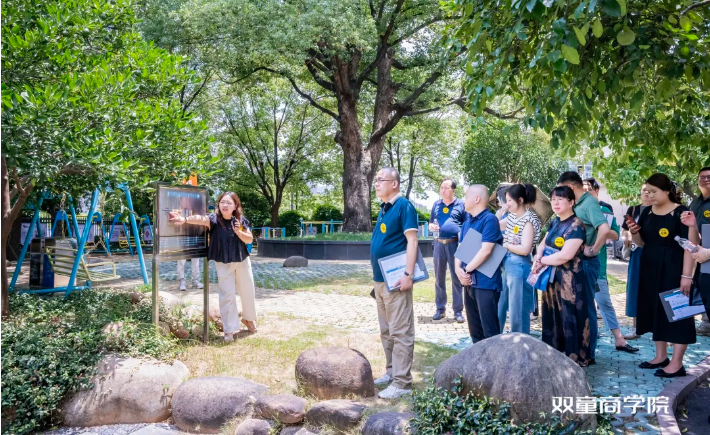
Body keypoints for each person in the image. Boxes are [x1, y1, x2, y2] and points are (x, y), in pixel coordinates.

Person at [627, 174, 696, 378]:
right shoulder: (647, 212)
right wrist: (634, 232)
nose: (649, 195)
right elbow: (641, 243)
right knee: (656, 311)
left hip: (674, 269)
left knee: (678, 313)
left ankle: (677, 364)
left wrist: (687, 276)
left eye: (653, 191)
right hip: (650, 268)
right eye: (647, 191)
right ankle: (660, 356)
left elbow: (691, 245)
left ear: (667, 191)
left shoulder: (681, 212)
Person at [169, 192, 258, 341]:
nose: (225, 205)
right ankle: (229, 329)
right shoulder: (214, 219)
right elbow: (200, 219)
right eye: (222, 202)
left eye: (229, 203)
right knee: (227, 295)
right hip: (223, 262)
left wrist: (238, 232)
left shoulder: (240, 220)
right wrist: (184, 219)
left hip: (242, 260)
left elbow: (249, 239)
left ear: (235, 206)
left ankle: (248, 319)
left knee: (248, 291)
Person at [370, 167, 419, 399]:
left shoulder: (404, 206)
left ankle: (402, 383)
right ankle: (390, 372)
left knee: (401, 331)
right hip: (380, 281)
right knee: (386, 331)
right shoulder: (384, 208)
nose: (377, 183)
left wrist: (408, 274)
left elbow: (412, 241)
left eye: (381, 180)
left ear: (395, 184)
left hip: (397, 281)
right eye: (376, 180)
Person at [557, 172, 613, 363]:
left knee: (587, 309)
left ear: (571, 187)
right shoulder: (578, 204)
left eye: (562, 191)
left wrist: (593, 250)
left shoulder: (589, 203)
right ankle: (577, 350)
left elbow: (604, 229)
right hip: (574, 264)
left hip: (587, 264)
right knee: (576, 308)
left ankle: (588, 354)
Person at [535, 186, 592, 366]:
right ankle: (554, 354)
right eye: (553, 199)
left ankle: (574, 356)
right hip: (551, 279)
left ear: (571, 202)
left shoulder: (577, 225)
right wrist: (538, 255)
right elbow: (543, 243)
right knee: (552, 315)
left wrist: (542, 261)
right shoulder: (555, 222)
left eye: (560, 199)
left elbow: (566, 255)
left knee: (569, 316)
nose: (556, 203)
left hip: (570, 281)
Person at [582, 180, 638, 354]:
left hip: (597, 266)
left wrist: (601, 231)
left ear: (596, 190)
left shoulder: (604, 210)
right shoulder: (575, 208)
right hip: (576, 265)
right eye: (582, 190)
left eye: (588, 190)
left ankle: (619, 339)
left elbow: (614, 234)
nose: (585, 193)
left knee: (604, 302)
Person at [455, 185, 503, 343]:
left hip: (485, 283)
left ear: (476, 199)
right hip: (469, 282)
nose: (463, 200)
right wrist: (458, 270)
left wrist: (466, 270)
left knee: (490, 332)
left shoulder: (490, 220)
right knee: (475, 331)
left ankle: (495, 359)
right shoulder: (467, 221)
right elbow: (460, 248)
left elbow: (486, 250)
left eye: (466, 196)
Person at [498, 184, 541, 334]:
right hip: (506, 262)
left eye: (510, 200)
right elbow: (494, 225)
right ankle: (494, 339)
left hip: (519, 265)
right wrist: (502, 211)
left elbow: (525, 249)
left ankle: (520, 341)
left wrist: (507, 245)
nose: (507, 204)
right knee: (500, 304)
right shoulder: (512, 216)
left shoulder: (529, 219)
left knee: (518, 309)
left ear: (520, 200)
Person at [428, 178, 465, 323]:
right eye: (441, 187)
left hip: (455, 244)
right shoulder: (436, 205)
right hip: (438, 244)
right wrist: (431, 227)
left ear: (453, 190)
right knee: (439, 278)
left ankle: (458, 311)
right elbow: (431, 222)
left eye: (446, 188)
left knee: (456, 277)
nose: (442, 190)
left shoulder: (461, 205)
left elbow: (466, 225)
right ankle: (440, 309)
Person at [621, 184, 652, 339]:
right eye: (644, 190)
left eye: (650, 190)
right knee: (634, 288)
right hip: (637, 253)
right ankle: (636, 328)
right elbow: (624, 229)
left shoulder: (660, 209)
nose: (647, 193)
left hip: (655, 253)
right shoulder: (633, 210)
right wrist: (627, 235)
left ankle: (660, 330)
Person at [682, 166, 710, 335]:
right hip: (699, 258)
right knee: (704, 293)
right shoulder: (695, 203)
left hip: (707, 254)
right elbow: (694, 232)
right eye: (702, 177)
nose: (706, 179)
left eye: (709, 177)